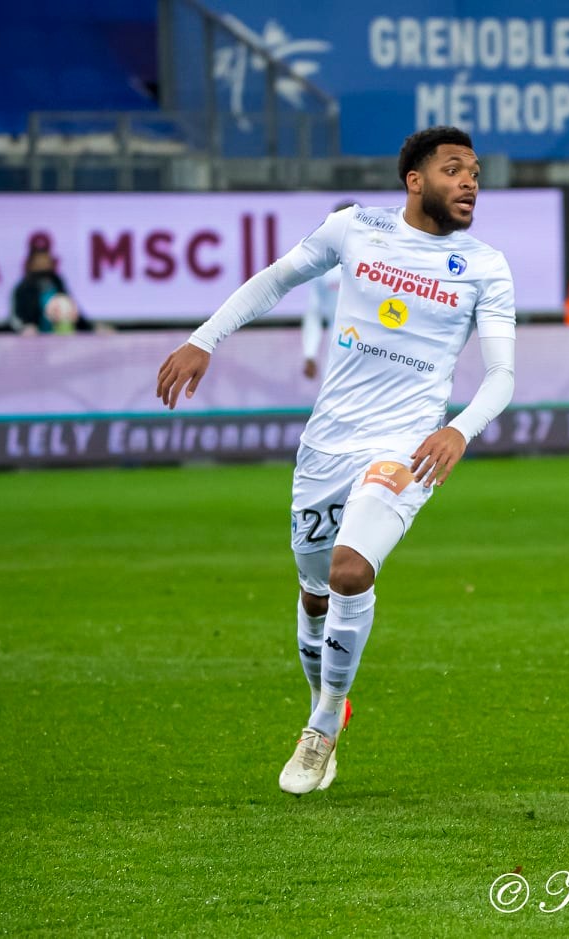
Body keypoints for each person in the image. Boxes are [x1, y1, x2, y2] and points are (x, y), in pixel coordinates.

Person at [156, 126, 517, 796]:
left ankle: (322, 725)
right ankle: (328, 695)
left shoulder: (486, 265)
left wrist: (459, 430)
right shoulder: (355, 229)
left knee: (351, 572)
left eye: (474, 172)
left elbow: (502, 375)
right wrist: (204, 339)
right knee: (315, 590)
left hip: (405, 445)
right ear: (415, 180)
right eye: (452, 169)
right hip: (328, 441)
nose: (469, 181)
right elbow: (276, 278)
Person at [300, 200, 357, 379]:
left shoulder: (379, 265)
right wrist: (309, 353)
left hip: (376, 351)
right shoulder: (324, 268)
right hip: (337, 352)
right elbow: (314, 314)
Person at [9, 245, 100, 335]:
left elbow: (72, 311)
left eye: (46, 261)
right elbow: (15, 318)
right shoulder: (23, 288)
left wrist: (93, 329)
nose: (43, 265)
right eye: (39, 262)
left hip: (58, 337)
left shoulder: (57, 283)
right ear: (31, 265)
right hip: (33, 339)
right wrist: (25, 327)